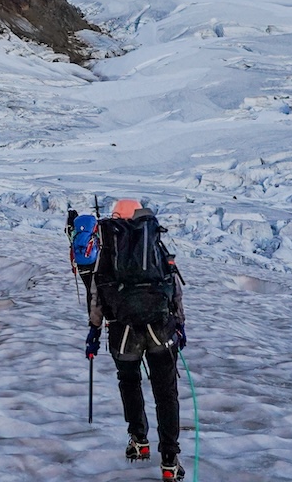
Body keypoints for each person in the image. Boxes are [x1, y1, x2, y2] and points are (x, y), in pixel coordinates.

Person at [85, 198, 187, 482]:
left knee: (129, 383)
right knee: (166, 393)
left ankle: (138, 441)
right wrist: (179, 325)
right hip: (160, 329)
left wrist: (94, 331)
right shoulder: (152, 241)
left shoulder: (110, 247)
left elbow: (97, 294)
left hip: (122, 331)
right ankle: (169, 459)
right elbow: (173, 287)